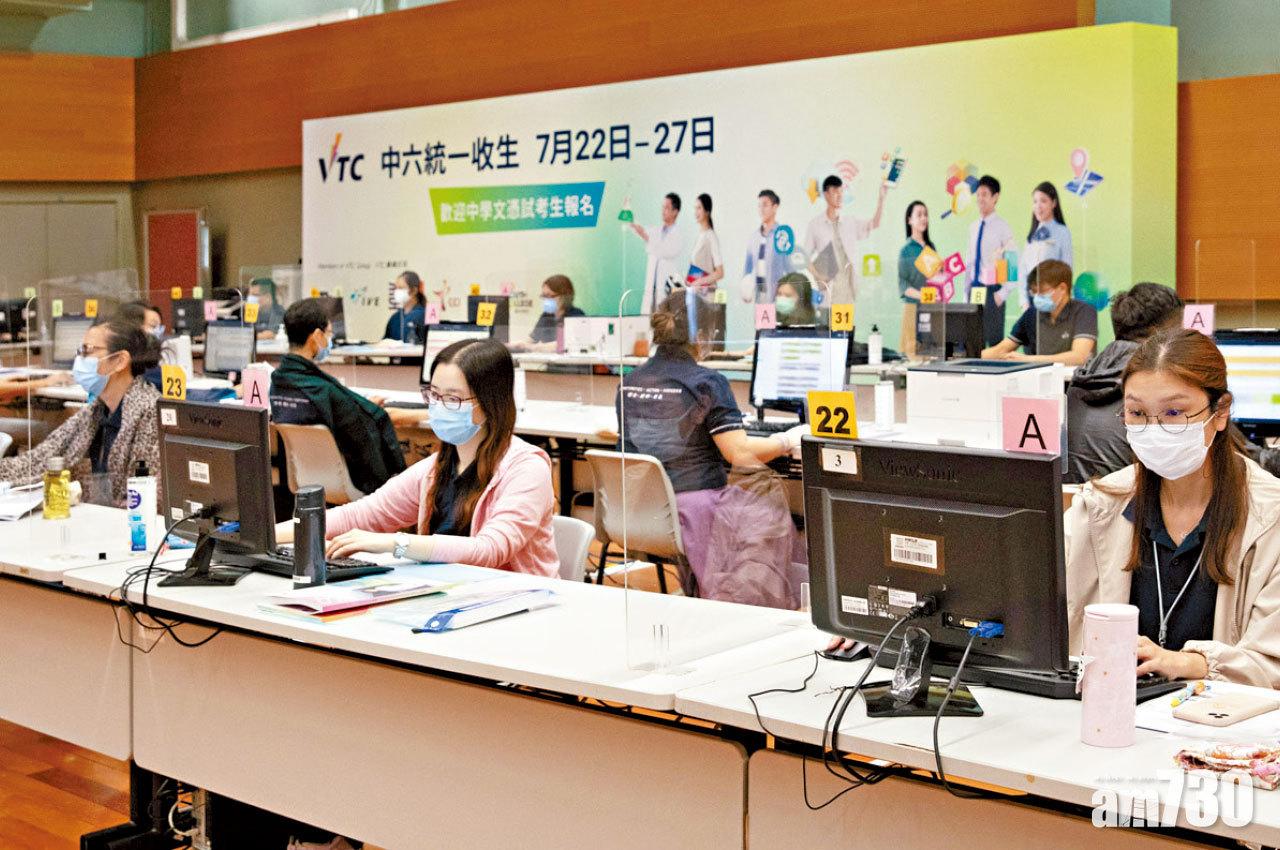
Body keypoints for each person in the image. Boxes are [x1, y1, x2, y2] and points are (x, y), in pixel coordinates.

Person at [1066, 329, 1280, 687]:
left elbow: (1272, 662)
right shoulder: (1099, 505)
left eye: (1174, 412)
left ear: (1220, 411)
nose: (1154, 429)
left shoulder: (1270, 516)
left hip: (1219, 717)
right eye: (1137, 413)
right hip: (1114, 708)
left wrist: (1187, 663)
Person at [277, 338, 558, 576]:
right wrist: (269, 535)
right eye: (433, 395)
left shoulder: (527, 468)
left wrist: (394, 543)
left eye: (452, 399)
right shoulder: (437, 468)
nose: (438, 406)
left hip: (518, 604)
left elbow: (489, 550)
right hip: (449, 593)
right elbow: (364, 514)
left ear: (489, 404)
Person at [616, 289, 807, 604]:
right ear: (702, 336)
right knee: (769, 514)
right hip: (694, 508)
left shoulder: (630, 381)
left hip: (640, 509)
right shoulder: (706, 382)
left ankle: (705, 591)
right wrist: (787, 440)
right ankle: (743, 602)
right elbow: (740, 454)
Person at [0, 319, 160, 506]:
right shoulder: (95, 411)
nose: (79, 359)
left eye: (87, 351)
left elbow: (143, 499)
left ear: (120, 361)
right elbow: (37, 460)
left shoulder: (149, 411)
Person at [270, 299, 408, 495]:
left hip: (305, 482)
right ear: (317, 336)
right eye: (329, 333)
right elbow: (365, 438)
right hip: (351, 487)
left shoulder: (278, 383)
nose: (330, 339)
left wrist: (357, 405)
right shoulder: (325, 391)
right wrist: (365, 410)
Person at [1066, 283, 1184, 483]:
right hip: (1126, 498)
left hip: (1075, 499)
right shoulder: (1158, 380)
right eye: (1179, 329)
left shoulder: (1081, 377)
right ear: (1158, 334)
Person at [981, 260, 1096, 366]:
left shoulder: (1084, 312)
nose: (1037, 297)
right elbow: (1001, 350)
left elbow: (1079, 357)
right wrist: (973, 355)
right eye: (1034, 292)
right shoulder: (1032, 314)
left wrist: (1028, 360)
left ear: (1062, 288)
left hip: (1072, 380)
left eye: (1042, 292)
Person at [802, 174, 888, 307]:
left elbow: (874, 223)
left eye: (841, 191)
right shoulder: (815, 225)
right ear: (826, 194)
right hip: (828, 293)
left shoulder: (850, 222)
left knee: (847, 321)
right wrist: (818, 277)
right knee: (828, 320)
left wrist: (881, 199)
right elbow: (804, 257)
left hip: (848, 292)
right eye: (835, 191)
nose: (840, 195)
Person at [967, 175, 1016, 347]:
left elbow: (1012, 263)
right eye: (978, 195)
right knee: (973, 339)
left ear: (995, 197)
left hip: (994, 290)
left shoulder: (1003, 227)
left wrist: (1003, 293)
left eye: (985, 194)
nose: (980, 199)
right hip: (976, 289)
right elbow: (970, 262)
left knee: (994, 342)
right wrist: (966, 292)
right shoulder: (973, 227)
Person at [630, 193, 684, 314]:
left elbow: (665, 251)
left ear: (675, 211)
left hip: (665, 289)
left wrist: (646, 237)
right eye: (662, 207)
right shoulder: (656, 231)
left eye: (667, 208)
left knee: (663, 318)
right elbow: (641, 231)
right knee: (647, 319)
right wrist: (630, 218)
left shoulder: (678, 235)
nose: (663, 211)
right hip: (651, 289)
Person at [509, 274, 585, 353]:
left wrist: (532, 347)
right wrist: (513, 346)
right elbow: (531, 340)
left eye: (549, 295)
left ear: (565, 296)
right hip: (549, 361)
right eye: (544, 296)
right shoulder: (546, 316)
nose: (546, 300)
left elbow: (562, 345)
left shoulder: (576, 316)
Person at [897, 200, 934, 358]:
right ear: (909, 220)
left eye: (925, 214)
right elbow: (903, 284)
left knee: (931, 354)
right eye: (919, 215)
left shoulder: (931, 248)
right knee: (913, 356)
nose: (924, 218)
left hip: (931, 309)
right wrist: (922, 295)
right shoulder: (906, 250)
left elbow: (935, 279)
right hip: (912, 309)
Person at [742, 189, 789, 303]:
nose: (761, 209)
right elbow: (747, 268)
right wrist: (745, 291)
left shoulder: (782, 235)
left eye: (765, 205)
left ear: (775, 207)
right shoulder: (754, 237)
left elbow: (790, 268)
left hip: (777, 298)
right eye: (759, 206)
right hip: (759, 296)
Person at [1022, 181, 1073, 274]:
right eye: (1035, 201)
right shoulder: (1032, 235)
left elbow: (1067, 269)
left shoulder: (1063, 232)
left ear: (1054, 203)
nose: (1038, 206)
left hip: (1053, 283)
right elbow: (1023, 269)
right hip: (1030, 284)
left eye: (1043, 201)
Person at [688, 193, 724, 291]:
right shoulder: (701, 236)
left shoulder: (710, 236)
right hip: (697, 293)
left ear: (707, 211)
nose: (696, 212)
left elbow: (720, 273)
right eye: (695, 208)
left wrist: (698, 282)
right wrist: (689, 282)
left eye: (699, 208)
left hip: (708, 295)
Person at [382, 270, 427, 344]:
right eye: (396, 288)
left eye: (401, 288)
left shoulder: (423, 315)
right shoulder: (395, 318)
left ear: (414, 290)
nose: (397, 292)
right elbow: (384, 343)